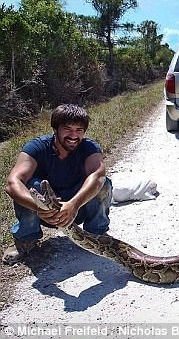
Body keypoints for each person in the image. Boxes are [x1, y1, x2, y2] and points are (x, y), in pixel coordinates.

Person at [2, 104, 112, 265]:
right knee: (31, 186)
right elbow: (12, 183)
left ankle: (97, 234)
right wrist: (39, 206)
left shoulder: (89, 147)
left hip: (77, 209)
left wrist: (74, 204)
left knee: (103, 184)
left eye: (79, 130)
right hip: (42, 211)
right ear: (55, 129)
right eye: (67, 129)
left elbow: (98, 176)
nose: (73, 135)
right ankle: (25, 239)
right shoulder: (37, 147)